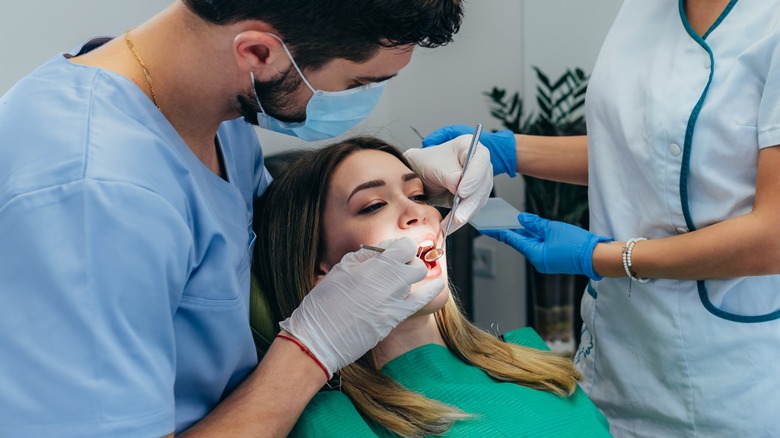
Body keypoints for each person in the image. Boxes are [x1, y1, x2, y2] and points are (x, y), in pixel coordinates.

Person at [0, 1, 497, 436]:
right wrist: (313, 347)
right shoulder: (92, 196)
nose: (361, 101)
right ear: (258, 53)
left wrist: (400, 175)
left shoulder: (217, 114)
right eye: (359, 84)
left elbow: (261, 225)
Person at [424, 0, 780, 436]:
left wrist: (602, 257)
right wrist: (506, 152)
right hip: (615, 353)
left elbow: (772, 237)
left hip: (724, 379)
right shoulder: (644, 9)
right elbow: (635, 149)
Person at [253, 136, 611, 437]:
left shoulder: (528, 357)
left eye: (419, 195)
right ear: (322, 268)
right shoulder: (332, 420)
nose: (420, 213)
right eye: (374, 205)